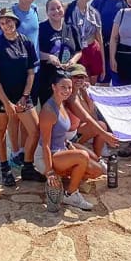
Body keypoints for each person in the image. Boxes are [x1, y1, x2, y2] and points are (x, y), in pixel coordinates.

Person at [0, 0, 40, 168]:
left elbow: (31, 69)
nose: (7, 25)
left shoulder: (34, 11)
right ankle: (14, 155)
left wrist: (25, 95)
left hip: (27, 81)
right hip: (5, 91)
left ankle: (25, 158)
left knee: (30, 126)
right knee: (8, 124)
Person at [35, 70, 103, 211]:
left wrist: (69, 146)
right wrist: (49, 171)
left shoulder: (62, 104)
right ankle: (70, 194)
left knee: (97, 170)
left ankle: (66, 178)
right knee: (82, 156)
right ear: (54, 87)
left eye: (69, 87)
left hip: (61, 150)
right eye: (63, 87)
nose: (67, 91)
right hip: (46, 156)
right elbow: (46, 144)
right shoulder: (48, 111)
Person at [38, 0, 82, 105]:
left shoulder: (71, 29)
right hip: (47, 79)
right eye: (52, 9)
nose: (56, 11)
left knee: (67, 112)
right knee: (50, 111)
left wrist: (73, 61)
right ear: (47, 12)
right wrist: (49, 57)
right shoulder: (41, 29)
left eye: (59, 8)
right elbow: (34, 52)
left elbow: (79, 51)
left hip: (67, 78)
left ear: (63, 9)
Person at [66, 64, 114, 157]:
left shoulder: (78, 92)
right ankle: (91, 155)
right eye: (76, 76)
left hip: (75, 132)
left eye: (82, 77)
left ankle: (98, 155)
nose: (79, 80)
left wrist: (85, 93)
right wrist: (105, 135)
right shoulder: (69, 95)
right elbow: (87, 118)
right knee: (100, 127)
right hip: (67, 138)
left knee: (101, 125)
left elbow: (90, 112)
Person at [64, 0, 105, 85]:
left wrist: (104, 65)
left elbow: (100, 38)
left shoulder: (94, 13)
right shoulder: (68, 9)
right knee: (79, 84)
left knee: (91, 85)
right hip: (76, 51)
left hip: (92, 50)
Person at [91, 0, 126, 85]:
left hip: (122, 49)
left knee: (121, 85)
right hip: (102, 49)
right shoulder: (99, 1)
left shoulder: (129, 2)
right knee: (102, 84)